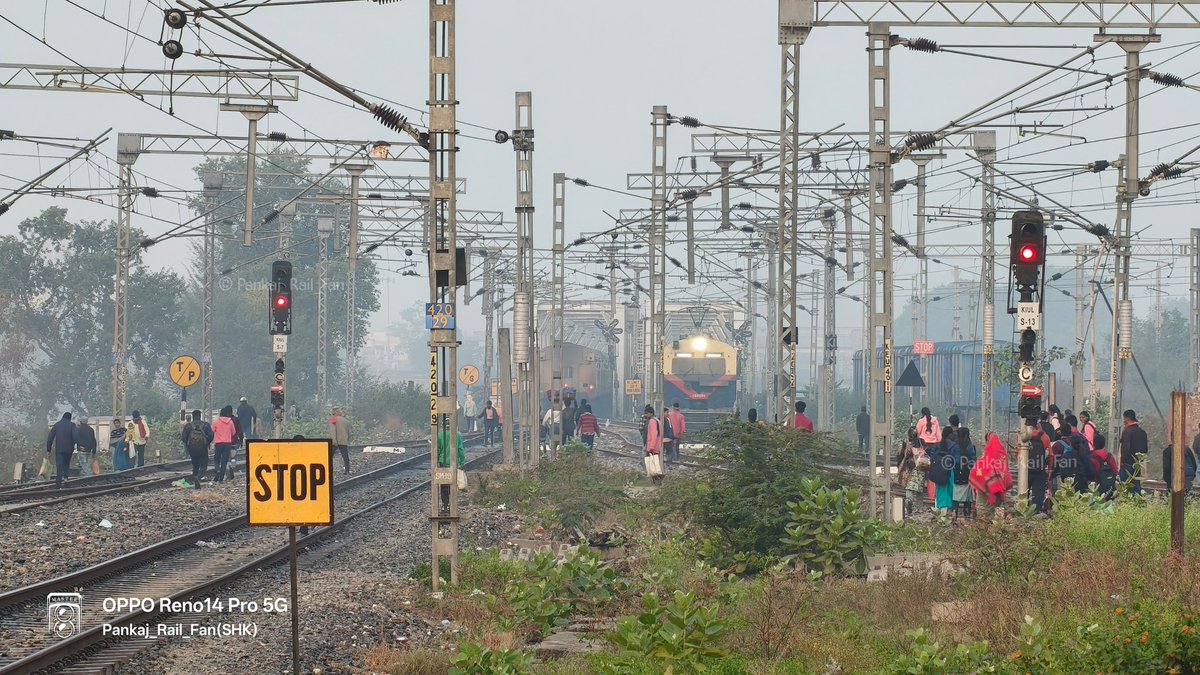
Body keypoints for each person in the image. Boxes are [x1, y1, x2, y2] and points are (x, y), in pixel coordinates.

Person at [969, 432, 1012, 519]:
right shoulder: (1003, 455)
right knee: (997, 513)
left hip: (984, 490)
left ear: (987, 441)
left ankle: (983, 530)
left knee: (982, 512)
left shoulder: (986, 456)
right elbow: (1006, 473)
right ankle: (997, 529)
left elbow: (976, 472)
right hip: (999, 493)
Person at [895, 427, 927, 517]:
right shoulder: (922, 442)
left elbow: (900, 454)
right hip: (921, 467)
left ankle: (909, 501)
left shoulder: (906, 443)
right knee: (919, 489)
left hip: (910, 468)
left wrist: (900, 464)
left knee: (909, 487)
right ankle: (919, 507)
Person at [948, 415, 976, 519]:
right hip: (967, 473)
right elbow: (973, 459)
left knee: (955, 493)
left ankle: (954, 511)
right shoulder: (970, 446)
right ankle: (967, 513)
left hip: (956, 472)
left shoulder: (954, 445)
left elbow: (950, 459)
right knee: (968, 496)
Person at [927, 427, 958, 516]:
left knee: (939, 490)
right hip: (949, 471)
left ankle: (938, 509)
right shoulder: (954, 445)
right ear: (950, 434)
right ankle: (946, 510)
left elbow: (932, 457)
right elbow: (957, 460)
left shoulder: (937, 445)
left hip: (938, 471)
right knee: (949, 490)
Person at [180, 410, 213, 489]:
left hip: (192, 449)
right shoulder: (205, 425)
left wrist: (189, 446)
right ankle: (198, 477)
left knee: (195, 464)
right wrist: (206, 442)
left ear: (192, 416)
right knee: (204, 464)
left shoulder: (188, 426)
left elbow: (183, 438)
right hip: (203, 448)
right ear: (200, 415)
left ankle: (195, 477)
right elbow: (211, 436)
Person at [1119, 409, 1148, 494]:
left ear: (1127, 419)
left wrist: (1122, 461)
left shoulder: (1127, 432)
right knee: (1136, 485)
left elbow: (1125, 449)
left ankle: (1126, 504)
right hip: (1137, 465)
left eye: (1124, 419)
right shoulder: (1142, 432)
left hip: (1127, 464)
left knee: (1124, 486)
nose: (1123, 421)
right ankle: (1138, 503)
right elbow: (1145, 449)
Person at [1027, 422, 1053, 514]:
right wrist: (1049, 470)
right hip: (1040, 471)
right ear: (1038, 427)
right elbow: (1050, 455)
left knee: (1023, 493)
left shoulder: (1023, 436)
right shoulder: (1045, 437)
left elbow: (1017, 453)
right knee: (1038, 496)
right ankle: (1036, 513)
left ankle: (1023, 514)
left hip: (1026, 471)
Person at [46, 412, 76, 488]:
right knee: (66, 464)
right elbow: (75, 436)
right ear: (69, 418)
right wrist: (77, 445)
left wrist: (48, 450)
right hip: (69, 449)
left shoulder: (57, 425)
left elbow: (50, 438)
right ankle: (65, 478)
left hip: (59, 449)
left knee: (59, 466)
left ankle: (58, 484)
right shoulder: (72, 425)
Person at [1087, 433, 1119, 499]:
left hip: (1096, 490)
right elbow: (1115, 472)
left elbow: (1089, 475)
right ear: (1104, 444)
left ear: (1094, 444)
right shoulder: (1110, 456)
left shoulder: (1091, 458)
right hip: (1110, 489)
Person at [211, 406, 238, 484]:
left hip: (218, 444)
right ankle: (221, 479)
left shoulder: (216, 422)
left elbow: (212, 431)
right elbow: (233, 433)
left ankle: (217, 470)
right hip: (227, 444)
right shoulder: (230, 422)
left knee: (216, 459)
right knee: (224, 461)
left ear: (220, 414)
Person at [643, 405, 664, 484]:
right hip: (657, 446)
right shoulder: (657, 421)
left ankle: (657, 480)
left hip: (652, 446)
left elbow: (654, 434)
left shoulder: (652, 421)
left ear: (651, 413)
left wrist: (651, 447)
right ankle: (657, 479)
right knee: (655, 463)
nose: (645, 415)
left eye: (646, 413)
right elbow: (661, 435)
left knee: (652, 465)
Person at [330, 406, 351, 474]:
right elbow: (348, 432)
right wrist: (348, 440)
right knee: (345, 456)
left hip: (336, 441)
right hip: (344, 441)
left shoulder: (333, 419)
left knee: (329, 456)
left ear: (335, 412)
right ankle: (347, 470)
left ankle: (328, 470)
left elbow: (333, 431)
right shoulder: (345, 420)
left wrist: (334, 441)